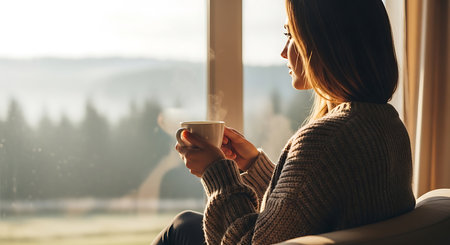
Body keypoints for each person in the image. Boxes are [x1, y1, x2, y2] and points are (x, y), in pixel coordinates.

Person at [152, 0, 415, 244]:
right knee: (186, 224)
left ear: (325, 42)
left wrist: (217, 173)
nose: (282, 52)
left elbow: (254, 241)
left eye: (290, 35)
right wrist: (254, 166)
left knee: (180, 230)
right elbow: (302, 213)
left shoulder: (325, 140)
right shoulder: (387, 126)